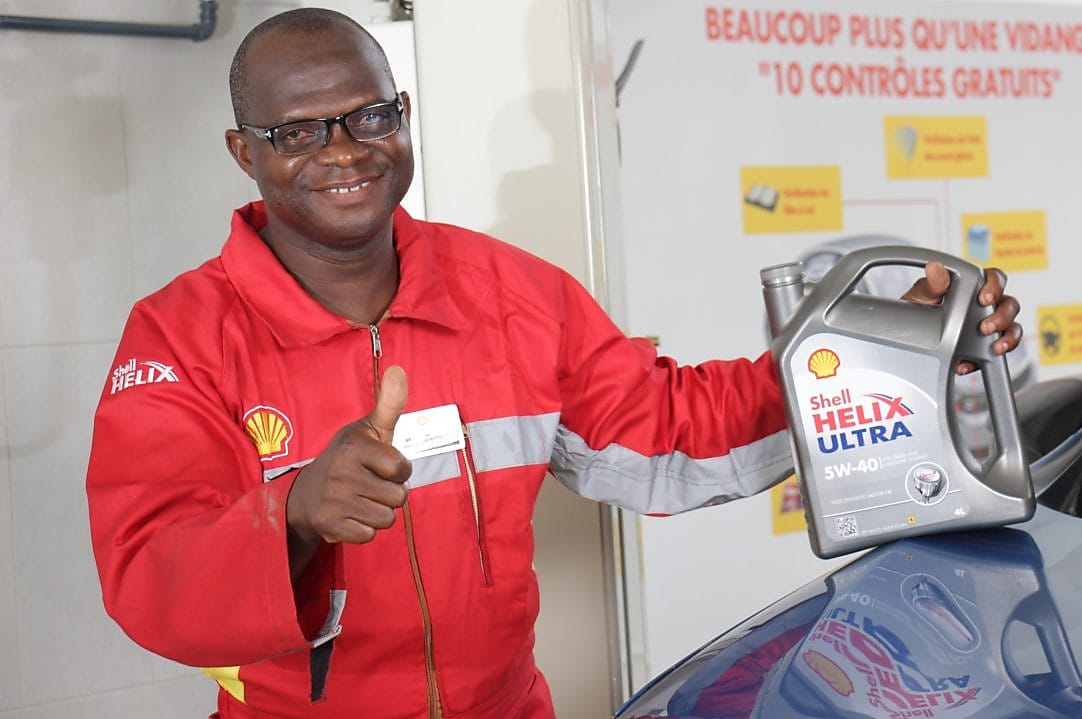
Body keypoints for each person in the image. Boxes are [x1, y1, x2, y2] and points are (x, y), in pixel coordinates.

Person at [85, 8, 1024, 719]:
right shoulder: (178, 337)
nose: (344, 150)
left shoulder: (509, 294)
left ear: (401, 118)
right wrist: (291, 513)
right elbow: (146, 576)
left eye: (370, 115)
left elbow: (670, 431)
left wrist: (873, 355)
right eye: (299, 130)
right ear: (244, 151)